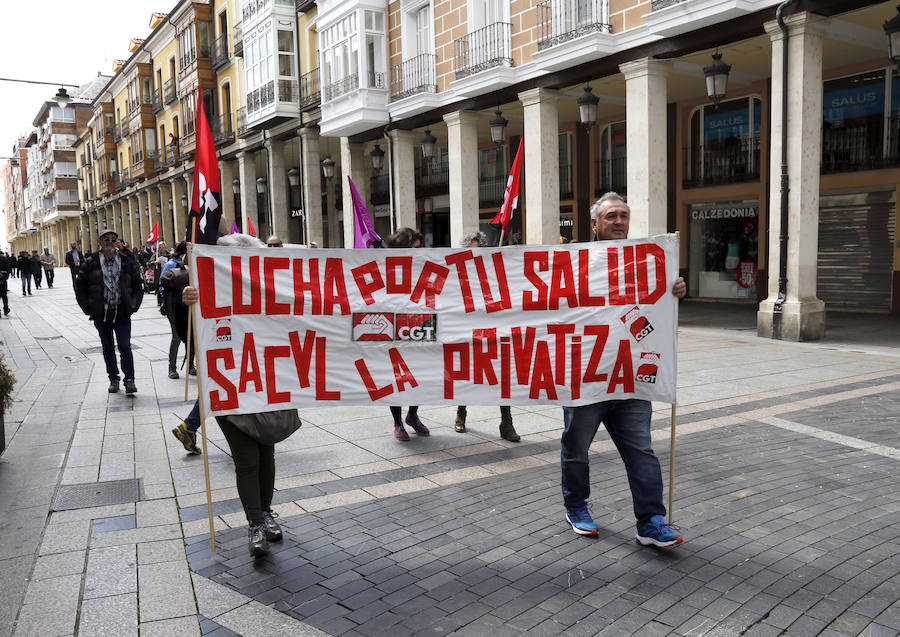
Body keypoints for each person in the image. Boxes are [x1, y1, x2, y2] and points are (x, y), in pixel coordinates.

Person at [561, 192, 686, 548]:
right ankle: (576, 506)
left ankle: (650, 522)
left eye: (624, 215)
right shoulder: (575, 261)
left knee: (641, 451)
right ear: (595, 224)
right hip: (586, 377)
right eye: (611, 216)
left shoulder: (646, 262)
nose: (619, 221)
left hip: (631, 377)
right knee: (576, 448)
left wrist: (674, 289)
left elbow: (659, 304)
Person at [181, 233, 285, 556]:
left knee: (266, 454)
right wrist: (187, 302)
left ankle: (265, 513)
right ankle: (255, 524)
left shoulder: (269, 287)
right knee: (247, 460)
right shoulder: (205, 288)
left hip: (264, 383)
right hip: (229, 384)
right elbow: (197, 335)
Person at [453, 231, 520, 442]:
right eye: (469, 251)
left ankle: (506, 422)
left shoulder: (493, 273)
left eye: (477, 250)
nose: (474, 255)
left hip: (493, 330)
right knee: (467, 374)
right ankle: (460, 415)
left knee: (501, 377)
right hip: (467, 331)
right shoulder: (459, 275)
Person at [75, 229, 144, 394]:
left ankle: (130, 380)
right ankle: (113, 378)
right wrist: (88, 307)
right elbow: (80, 287)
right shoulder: (91, 262)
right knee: (107, 347)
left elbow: (137, 284)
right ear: (99, 242)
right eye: (106, 240)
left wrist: (133, 305)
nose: (110, 243)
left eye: (114, 240)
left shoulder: (127, 260)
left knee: (125, 346)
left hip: (121, 311)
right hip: (102, 313)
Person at [384, 228, 430, 441]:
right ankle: (397, 422)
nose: (420, 250)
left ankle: (412, 414)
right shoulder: (387, 269)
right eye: (416, 247)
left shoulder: (424, 266)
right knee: (397, 377)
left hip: (421, 325)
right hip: (394, 327)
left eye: (421, 247)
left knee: (421, 374)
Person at [159, 242, 189, 379]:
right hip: (175, 306)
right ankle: (172, 367)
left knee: (191, 337)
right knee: (177, 337)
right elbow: (162, 285)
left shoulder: (192, 264)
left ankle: (191, 365)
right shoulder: (171, 265)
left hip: (189, 304)